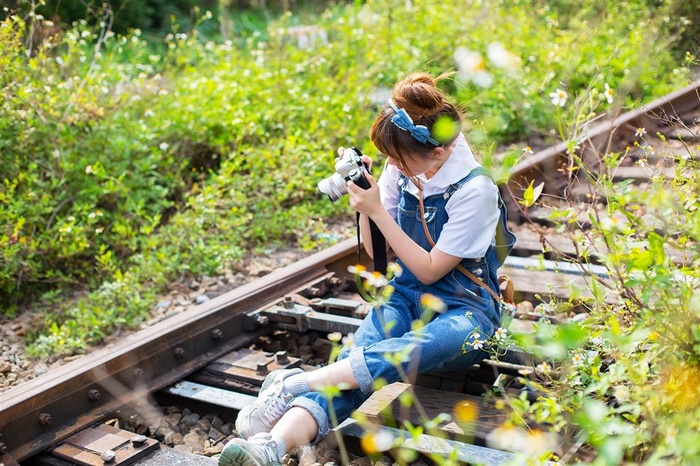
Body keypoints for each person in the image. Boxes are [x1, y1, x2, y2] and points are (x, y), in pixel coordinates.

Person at [218, 72, 516, 466]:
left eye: (398, 159)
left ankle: (292, 383)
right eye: (390, 158)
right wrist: (365, 203)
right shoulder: (403, 166)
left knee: (420, 346)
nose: (392, 164)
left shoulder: (475, 191)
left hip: (467, 311)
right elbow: (380, 253)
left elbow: (429, 270)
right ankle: (271, 445)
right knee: (360, 364)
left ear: (439, 152)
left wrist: (377, 208)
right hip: (407, 296)